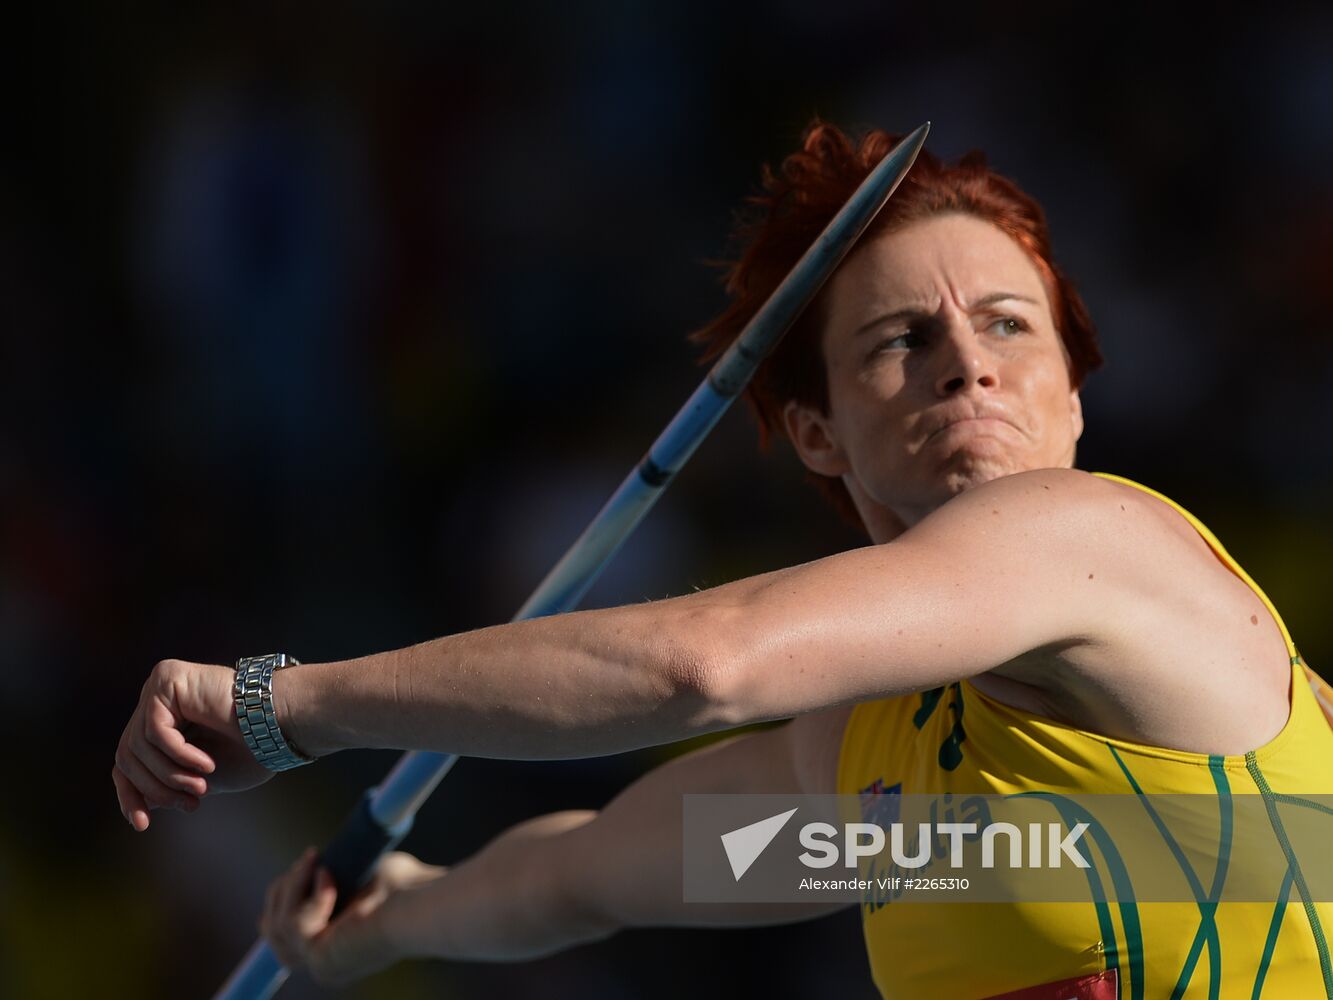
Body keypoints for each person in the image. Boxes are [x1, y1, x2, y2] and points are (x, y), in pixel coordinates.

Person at [112, 122, 1333, 998]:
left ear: (1073, 394)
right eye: (902, 339)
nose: (966, 362)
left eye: (1009, 325)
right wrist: (401, 917)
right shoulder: (899, 816)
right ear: (817, 430)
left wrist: (289, 706)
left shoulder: (1096, 539)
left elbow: (706, 664)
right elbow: (599, 876)